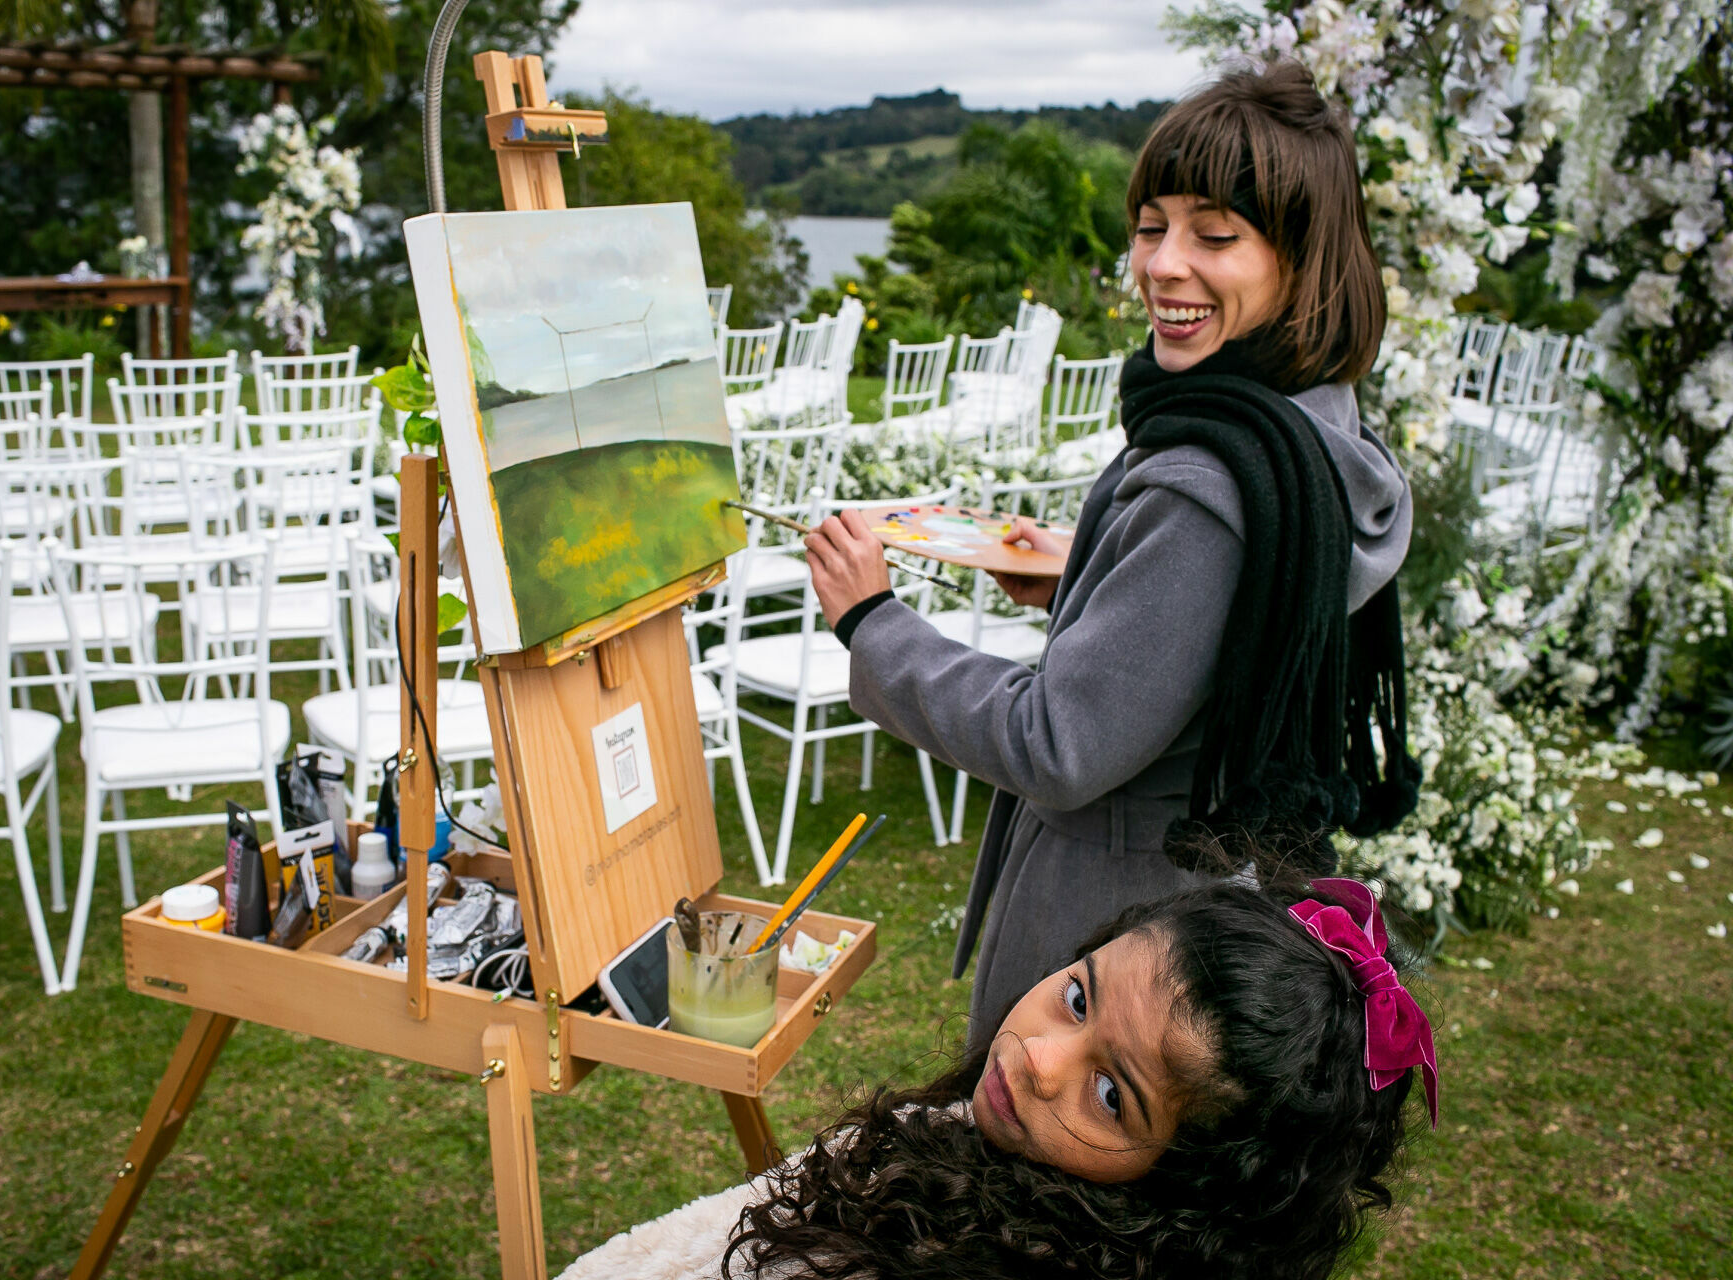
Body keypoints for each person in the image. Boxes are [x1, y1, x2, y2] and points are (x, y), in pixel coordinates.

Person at [804, 58, 1420, 1044]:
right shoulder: (1311, 432)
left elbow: (1059, 743)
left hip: (1105, 945)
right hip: (1203, 913)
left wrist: (874, 623)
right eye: (1151, 226)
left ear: (1302, 264)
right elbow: (1206, 651)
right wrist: (1088, 581)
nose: (1162, 264)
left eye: (1216, 235)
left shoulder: (1209, 483)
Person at [557, 873, 1437, 1280]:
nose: (1041, 1058)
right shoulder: (976, 1154)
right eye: (1080, 997)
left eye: (1112, 1094)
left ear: (1188, 1190)